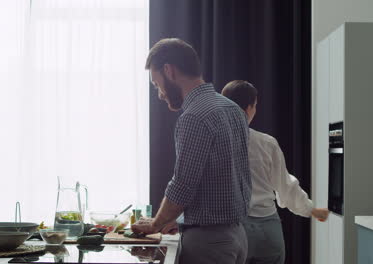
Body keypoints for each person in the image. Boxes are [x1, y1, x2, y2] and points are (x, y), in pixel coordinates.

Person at [131, 38, 251, 264]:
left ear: (169, 71)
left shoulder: (194, 116)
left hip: (209, 244)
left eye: (157, 84)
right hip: (238, 237)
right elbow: (224, 179)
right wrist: (178, 219)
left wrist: (156, 224)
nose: (160, 94)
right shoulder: (232, 108)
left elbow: (183, 184)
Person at [221, 80, 330, 264]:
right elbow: (285, 186)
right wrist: (311, 209)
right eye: (255, 106)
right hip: (268, 231)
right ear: (249, 108)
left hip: (233, 229)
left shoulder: (215, 142)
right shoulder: (266, 143)